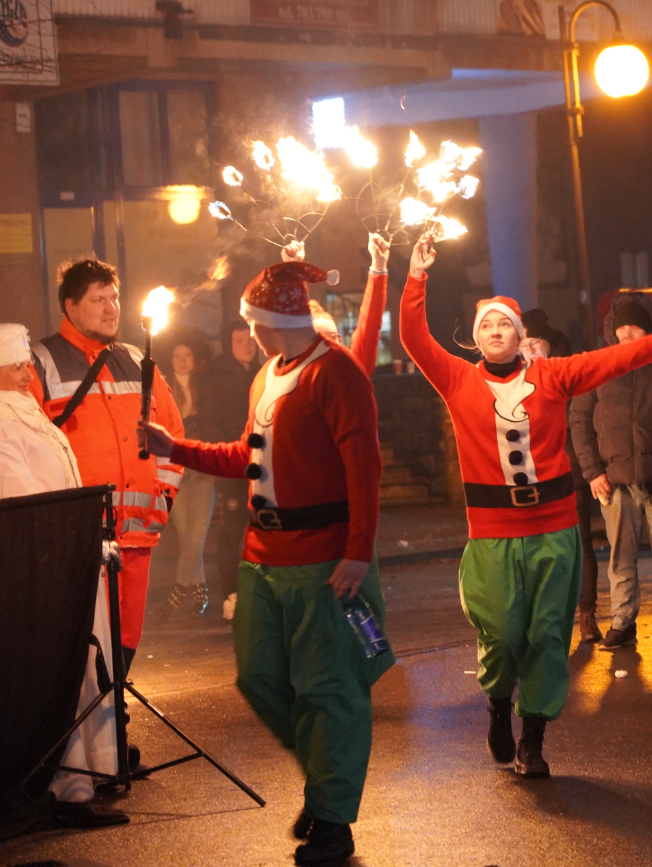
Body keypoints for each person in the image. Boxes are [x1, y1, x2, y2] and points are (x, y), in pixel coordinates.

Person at [399, 232, 652, 777]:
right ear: (477, 338)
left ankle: (532, 739)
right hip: (492, 530)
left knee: (546, 634)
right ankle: (497, 702)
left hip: (553, 525)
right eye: (487, 326)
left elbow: (616, 358)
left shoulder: (552, 376)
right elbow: (414, 337)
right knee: (501, 630)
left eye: (505, 326)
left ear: (520, 338)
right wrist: (415, 278)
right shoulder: (457, 380)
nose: (495, 332)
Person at [143, 255, 388, 866]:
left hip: (321, 560)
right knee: (259, 678)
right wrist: (179, 449)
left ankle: (332, 817)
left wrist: (357, 553)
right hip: (262, 556)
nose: (246, 333)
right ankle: (326, 777)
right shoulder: (268, 376)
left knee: (329, 691)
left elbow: (365, 471)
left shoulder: (338, 375)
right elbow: (246, 456)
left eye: (250, 323)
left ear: (266, 324)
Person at [0, 324, 123, 826]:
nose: (29, 374)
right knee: (61, 671)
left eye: (27, 364)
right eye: (17, 367)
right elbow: (19, 504)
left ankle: (89, 774)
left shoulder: (18, 413)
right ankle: (64, 787)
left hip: (67, 558)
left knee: (85, 666)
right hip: (44, 570)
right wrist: (70, 540)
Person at [29, 258, 185, 684]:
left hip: (136, 533)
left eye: (113, 298)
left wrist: (163, 495)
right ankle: (86, 732)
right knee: (81, 637)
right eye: (97, 299)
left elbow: (171, 435)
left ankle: (112, 722)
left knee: (126, 635)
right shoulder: (40, 362)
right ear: (70, 306)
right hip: (79, 537)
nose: (110, 307)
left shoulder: (136, 358)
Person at [570, 299, 652, 649]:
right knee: (620, 560)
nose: (626, 333)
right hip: (614, 482)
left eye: (635, 327)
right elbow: (579, 421)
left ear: (650, 329)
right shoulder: (599, 365)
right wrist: (593, 471)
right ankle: (623, 623)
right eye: (621, 327)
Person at [523, 313, 604, 644]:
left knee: (581, 543)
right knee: (540, 549)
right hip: (531, 475)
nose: (529, 350)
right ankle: (548, 618)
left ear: (547, 343)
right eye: (524, 344)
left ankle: (586, 614)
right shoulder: (515, 375)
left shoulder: (566, 371)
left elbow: (580, 420)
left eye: (534, 343)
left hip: (569, 471)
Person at [197, 319, 262, 619]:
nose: (248, 346)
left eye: (250, 340)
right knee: (233, 526)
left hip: (263, 463)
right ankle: (231, 593)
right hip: (234, 464)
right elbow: (209, 425)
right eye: (239, 342)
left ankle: (260, 592)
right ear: (228, 346)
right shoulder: (216, 378)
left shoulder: (263, 372)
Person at [158, 338, 217, 616]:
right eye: (177, 355)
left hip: (203, 472)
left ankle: (178, 590)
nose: (182, 361)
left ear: (196, 358)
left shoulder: (206, 389)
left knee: (197, 536)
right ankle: (200, 591)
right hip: (177, 472)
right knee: (187, 537)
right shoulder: (163, 390)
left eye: (188, 354)